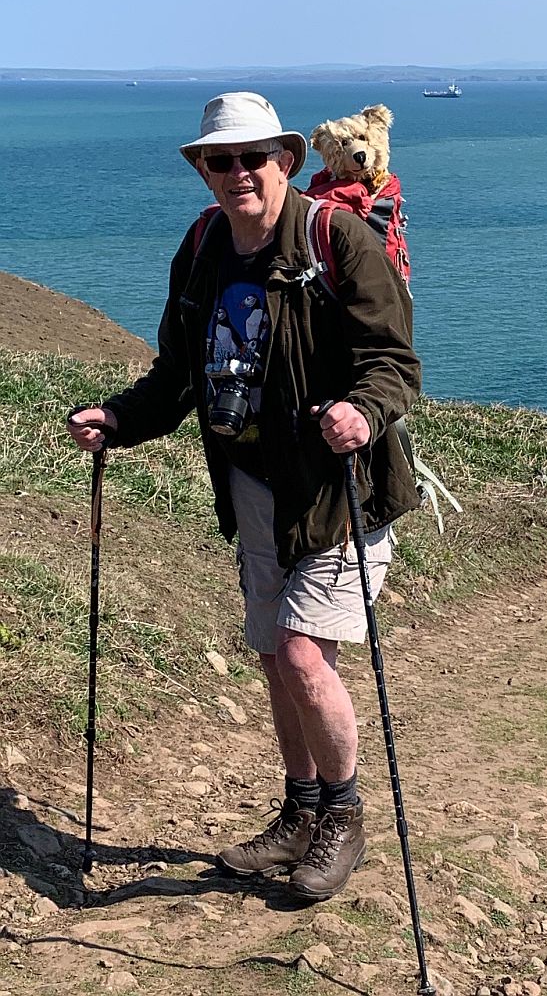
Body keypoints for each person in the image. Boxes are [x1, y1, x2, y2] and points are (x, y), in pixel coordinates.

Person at [67, 91, 421, 901]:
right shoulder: (201, 250)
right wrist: (118, 418)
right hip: (255, 487)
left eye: (251, 158)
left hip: (341, 488)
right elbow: (178, 375)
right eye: (218, 161)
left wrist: (361, 410)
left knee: (302, 651)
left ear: (286, 162)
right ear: (204, 171)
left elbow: (395, 362)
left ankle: (342, 815)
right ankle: (298, 812)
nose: (236, 174)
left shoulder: (338, 238)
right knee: (273, 652)